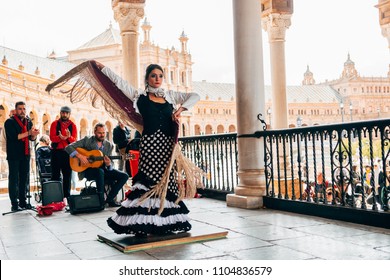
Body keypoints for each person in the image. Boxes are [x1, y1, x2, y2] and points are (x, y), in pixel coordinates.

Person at [96, 62, 200, 237]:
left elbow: (195, 96)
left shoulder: (171, 96)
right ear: (147, 79)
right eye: (153, 76)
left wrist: (180, 109)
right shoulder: (139, 97)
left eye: (160, 76)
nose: (157, 79)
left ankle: (162, 221)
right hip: (150, 146)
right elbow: (119, 83)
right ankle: (144, 222)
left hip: (167, 148)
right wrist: (102, 68)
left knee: (166, 183)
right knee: (148, 182)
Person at [65, 123, 129, 207]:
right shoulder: (87, 140)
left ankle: (109, 199)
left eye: (103, 133)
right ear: (94, 132)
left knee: (124, 176)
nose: (102, 135)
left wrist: (109, 164)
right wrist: (80, 156)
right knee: (100, 172)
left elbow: (110, 165)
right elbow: (68, 147)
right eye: (99, 133)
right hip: (88, 170)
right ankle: (100, 201)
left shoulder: (109, 145)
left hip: (103, 169)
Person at [4, 101, 39, 211]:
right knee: (14, 179)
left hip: (25, 154)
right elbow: (14, 137)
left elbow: (31, 139)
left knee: (25, 178)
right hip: (14, 154)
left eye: (24, 109)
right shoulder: (9, 122)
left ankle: (23, 202)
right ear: (16, 110)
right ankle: (14, 203)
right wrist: (29, 133)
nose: (22, 111)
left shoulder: (28, 121)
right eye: (20, 109)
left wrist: (33, 135)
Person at [49, 106, 77, 203]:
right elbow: (52, 138)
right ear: (60, 113)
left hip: (67, 153)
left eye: (66, 113)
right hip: (56, 152)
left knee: (67, 175)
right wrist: (60, 137)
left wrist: (68, 138)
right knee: (55, 175)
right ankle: (55, 196)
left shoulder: (73, 125)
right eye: (63, 112)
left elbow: (74, 140)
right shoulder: (54, 124)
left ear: (69, 114)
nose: (64, 114)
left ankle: (67, 196)